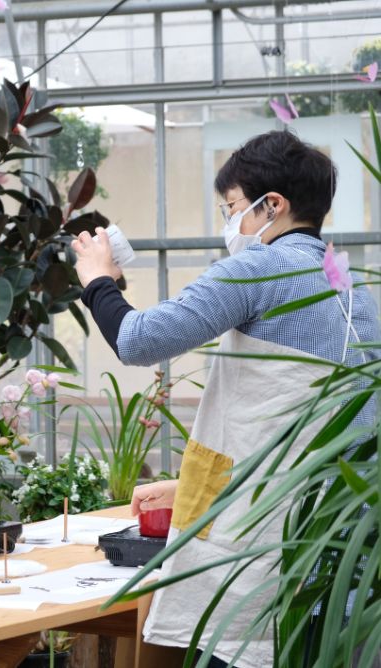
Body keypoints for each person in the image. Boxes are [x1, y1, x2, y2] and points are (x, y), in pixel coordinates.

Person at [72, 130, 379, 668]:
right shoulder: (352, 287)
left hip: (268, 542)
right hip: (344, 533)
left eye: (233, 206)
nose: (229, 222)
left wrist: (99, 281)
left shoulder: (259, 267)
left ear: (273, 205)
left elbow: (139, 340)